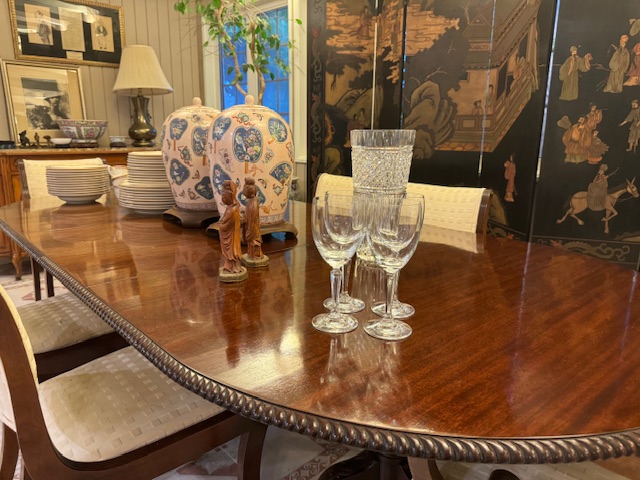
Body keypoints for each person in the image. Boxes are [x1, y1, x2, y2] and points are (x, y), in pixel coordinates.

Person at [218, 180, 246, 281]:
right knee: (230, 255)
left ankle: (232, 268)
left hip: (231, 237)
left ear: (231, 197)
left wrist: (221, 224)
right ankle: (231, 267)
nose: (222, 199)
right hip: (230, 235)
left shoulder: (232, 210)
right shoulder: (230, 208)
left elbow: (226, 225)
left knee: (232, 254)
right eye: (222, 196)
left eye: (224, 197)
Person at [241, 177, 268, 266]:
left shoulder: (253, 203)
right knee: (251, 244)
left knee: (254, 242)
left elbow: (252, 218)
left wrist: (245, 219)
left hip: (253, 228)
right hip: (250, 226)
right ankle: (251, 255)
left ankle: (255, 256)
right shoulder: (250, 201)